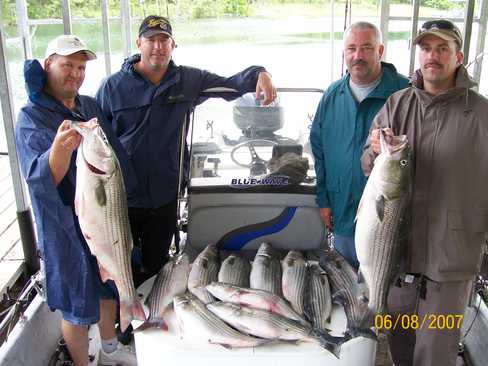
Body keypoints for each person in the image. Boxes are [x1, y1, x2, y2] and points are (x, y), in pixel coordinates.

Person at [96, 15, 277, 285]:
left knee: (157, 265)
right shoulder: (112, 87)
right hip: (123, 197)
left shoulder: (188, 80)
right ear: (138, 43)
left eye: (164, 40)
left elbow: (232, 85)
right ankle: (123, 320)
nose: (158, 46)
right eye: (151, 40)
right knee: (121, 265)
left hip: (166, 193)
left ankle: (151, 318)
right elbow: (97, 139)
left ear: (173, 45)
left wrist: (261, 73)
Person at [361, 19, 488, 366]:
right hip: (397, 257)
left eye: (443, 49)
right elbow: (367, 165)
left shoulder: (481, 114)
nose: (433, 56)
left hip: (451, 261)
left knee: (434, 353)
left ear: (458, 57)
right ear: (418, 55)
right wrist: (374, 149)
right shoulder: (397, 104)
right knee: (399, 347)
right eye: (427, 48)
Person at [15, 35, 137, 366]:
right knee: (76, 304)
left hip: (103, 217)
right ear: (47, 65)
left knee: (109, 284)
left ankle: (110, 347)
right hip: (63, 229)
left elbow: (114, 159)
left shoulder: (89, 106)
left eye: (81, 67)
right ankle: (84, 363)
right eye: (67, 64)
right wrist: (59, 150)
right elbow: (42, 179)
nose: (75, 73)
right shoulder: (31, 117)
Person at [310, 21, 409, 268]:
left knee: (384, 281)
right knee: (348, 285)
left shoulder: (405, 92)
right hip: (342, 210)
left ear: (380, 50)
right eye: (351, 48)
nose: (358, 56)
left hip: (388, 217)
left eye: (366, 47)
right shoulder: (332, 95)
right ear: (343, 53)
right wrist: (323, 200)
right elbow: (318, 151)